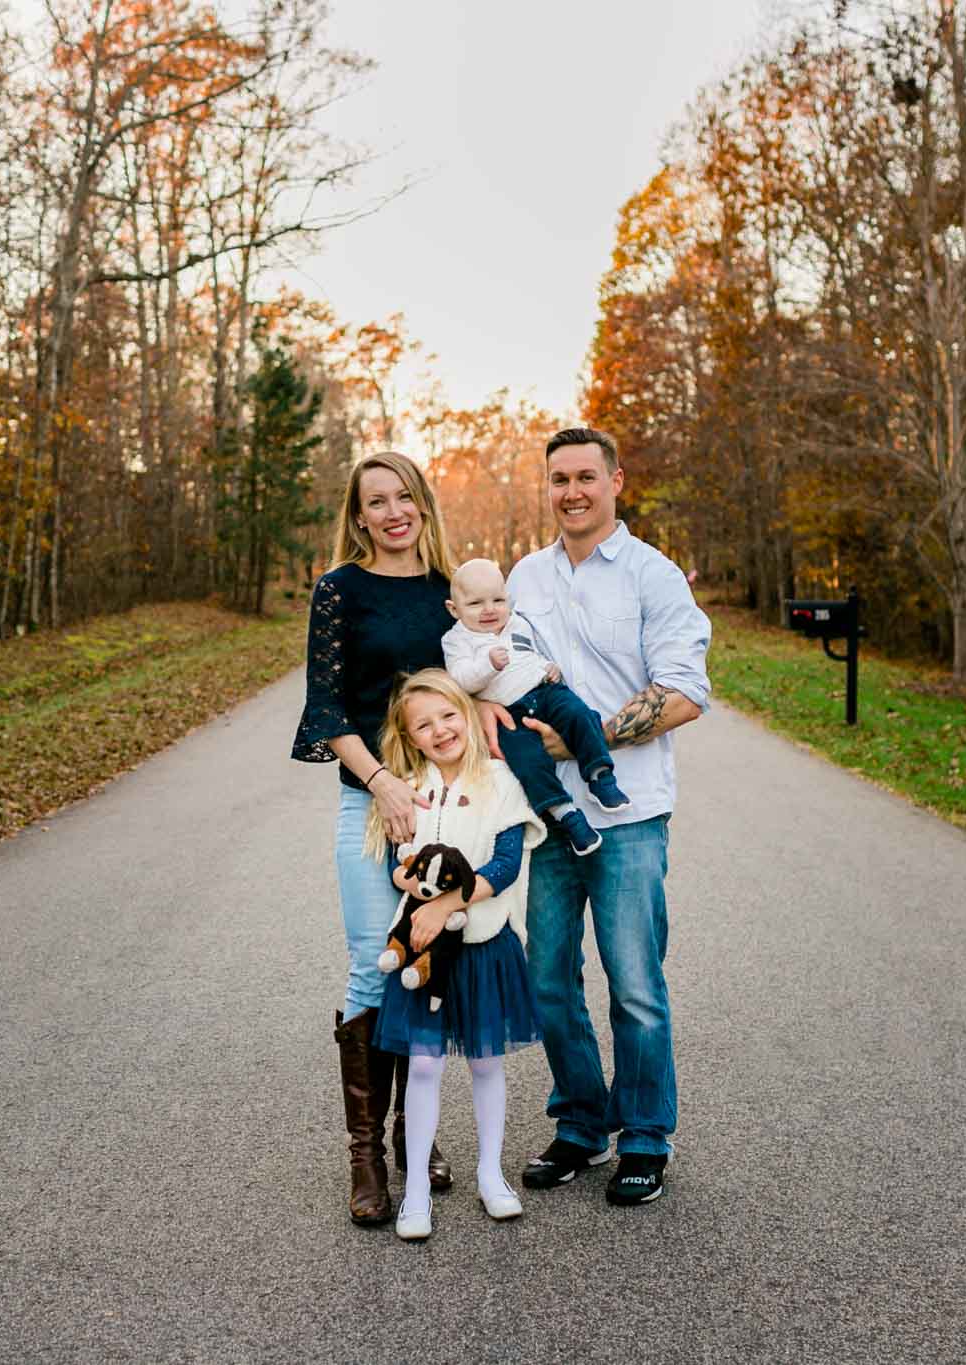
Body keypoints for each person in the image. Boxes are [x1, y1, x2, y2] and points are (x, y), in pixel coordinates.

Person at [493, 426, 711, 1208]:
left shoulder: (652, 576)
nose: (573, 491)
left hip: (630, 816)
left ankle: (646, 1137)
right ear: (546, 487)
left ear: (618, 480)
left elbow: (684, 690)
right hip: (547, 819)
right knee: (548, 979)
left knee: (634, 984)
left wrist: (581, 735)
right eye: (559, 479)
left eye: (587, 476)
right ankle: (582, 1123)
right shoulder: (522, 576)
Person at [290, 451, 458, 1225]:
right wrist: (383, 783)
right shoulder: (339, 591)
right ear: (358, 517)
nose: (392, 512)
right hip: (369, 804)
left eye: (403, 497)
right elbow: (327, 710)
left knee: (427, 969)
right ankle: (366, 1156)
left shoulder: (450, 593)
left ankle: (414, 1136)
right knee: (371, 965)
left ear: (421, 503)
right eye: (375, 502)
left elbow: (484, 687)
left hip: (447, 810)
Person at [368, 669, 548, 1241]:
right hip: (422, 951)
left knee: (485, 1062)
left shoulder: (500, 781)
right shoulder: (410, 788)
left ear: (467, 715)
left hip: (483, 944)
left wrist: (446, 904)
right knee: (422, 1065)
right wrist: (412, 885)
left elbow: (504, 865)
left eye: (448, 715)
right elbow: (404, 863)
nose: (440, 730)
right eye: (424, 724)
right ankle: (416, 1188)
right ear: (410, 736)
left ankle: (491, 1174)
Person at [440, 557, 628, 857]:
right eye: (476, 603)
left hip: (545, 690)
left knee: (580, 715)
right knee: (526, 760)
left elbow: (531, 655)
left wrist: (550, 667)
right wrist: (487, 665)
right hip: (508, 712)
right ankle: (565, 814)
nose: (490, 610)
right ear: (454, 609)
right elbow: (460, 679)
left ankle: (600, 775)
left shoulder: (517, 623)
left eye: (498, 600)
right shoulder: (456, 640)